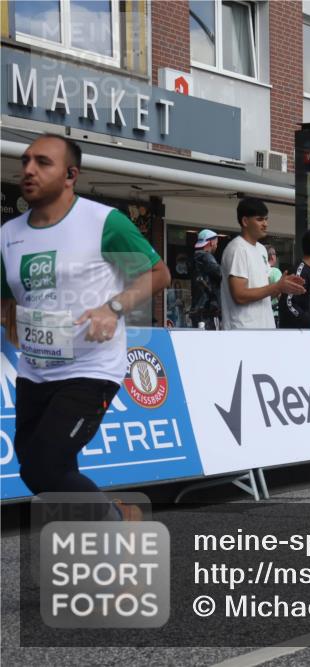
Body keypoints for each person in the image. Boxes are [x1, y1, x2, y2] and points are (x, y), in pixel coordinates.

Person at [0, 135, 170, 520]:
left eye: (43, 162)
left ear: (70, 175)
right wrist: (14, 321)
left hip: (91, 369)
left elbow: (157, 274)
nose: (28, 169)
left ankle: (119, 524)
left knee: (46, 463)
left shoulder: (103, 223)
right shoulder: (9, 235)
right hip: (36, 369)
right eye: (26, 161)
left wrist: (113, 307)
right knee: (38, 468)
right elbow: (7, 298)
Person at [220, 197, 304, 330]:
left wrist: (283, 286)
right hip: (242, 331)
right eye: (259, 219)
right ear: (245, 221)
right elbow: (239, 295)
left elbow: (263, 291)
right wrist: (276, 287)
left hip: (264, 329)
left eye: (266, 219)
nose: (265, 224)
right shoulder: (237, 249)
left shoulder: (261, 249)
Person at [190, 229, 222, 329]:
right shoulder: (206, 257)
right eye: (216, 242)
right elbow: (221, 275)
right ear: (211, 242)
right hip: (208, 311)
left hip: (197, 309)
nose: (216, 245)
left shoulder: (195, 258)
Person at [266, 245, 282, 325]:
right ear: (272, 257)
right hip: (274, 314)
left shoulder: (261, 271)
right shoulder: (275, 271)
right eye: (275, 254)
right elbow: (279, 292)